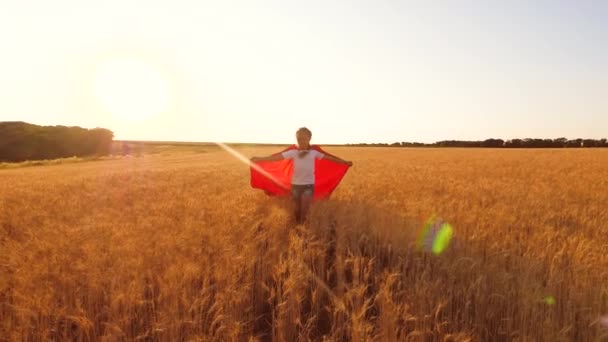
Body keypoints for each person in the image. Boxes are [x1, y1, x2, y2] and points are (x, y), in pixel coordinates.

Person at [251, 127, 352, 224]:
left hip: (308, 186)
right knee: (297, 210)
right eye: (299, 139)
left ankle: (303, 229)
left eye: (304, 138)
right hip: (295, 186)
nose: (301, 141)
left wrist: (344, 162)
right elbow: (276, 158)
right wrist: (259, 159)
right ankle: (297, 229)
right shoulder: (293, 152)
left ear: (309, 138)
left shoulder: (314, 153)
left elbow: (330, 158)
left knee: (304, 209)